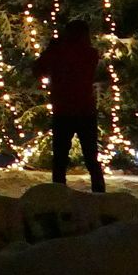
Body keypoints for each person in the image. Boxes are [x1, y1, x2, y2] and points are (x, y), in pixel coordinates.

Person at [33, 18, 105, 193]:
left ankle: (58, 193)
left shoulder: (58, 52)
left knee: (60, 158)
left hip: (63, 110)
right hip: (85, 110)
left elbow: (38, 69)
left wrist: (52, 49)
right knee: (91, 156)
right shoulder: (90, 53)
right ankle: (99, 193)